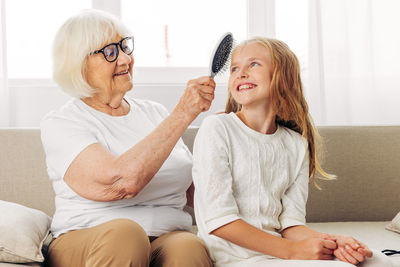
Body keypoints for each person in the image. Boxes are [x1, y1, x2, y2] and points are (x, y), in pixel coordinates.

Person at [192, 37, 393, 267]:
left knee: (378, 262)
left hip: (279, 255)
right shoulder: (217, 129)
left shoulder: (296, 144)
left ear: (283, 78)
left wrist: (333, 242)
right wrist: (291, 251)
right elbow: (219, 221)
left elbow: (290, 225)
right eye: (235, 68)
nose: (241, 73)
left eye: (254, 64)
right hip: (236, 258)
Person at [41, 9, 214, 267]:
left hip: (164, 236)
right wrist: (183, 114)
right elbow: (120, 183)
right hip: (87, 238)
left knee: (188, 247)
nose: (124, 59)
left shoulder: (155, 113)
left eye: (125, 47)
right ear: (79, 64)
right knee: (126, 235)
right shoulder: (63, 122)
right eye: (110, 52)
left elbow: (195, 191)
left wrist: (227, 134)